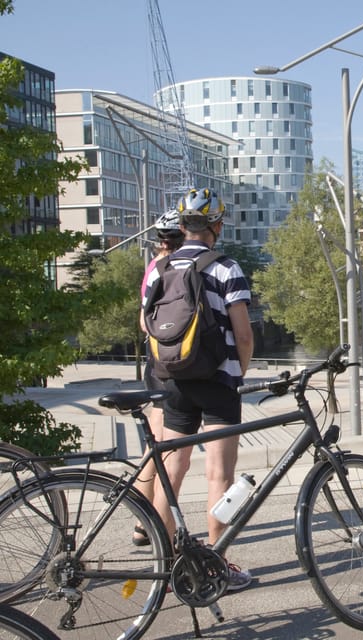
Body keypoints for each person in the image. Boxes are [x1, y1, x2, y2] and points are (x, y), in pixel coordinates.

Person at [141, 188, 255, 589]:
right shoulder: (227, 268)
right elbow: (243, 336)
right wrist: (236, 373)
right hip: (218, 381)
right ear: (216, 226)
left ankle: (164, 560)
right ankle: (215, 563)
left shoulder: (160, 267)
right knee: (218, 477)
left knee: (172, 470)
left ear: (183, 224)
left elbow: (146, 324)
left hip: (174, 380)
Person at [133, 210, 184, 546]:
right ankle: (150, 524)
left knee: (156, 439)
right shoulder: (171, 269)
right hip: (169, 365)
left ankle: (142, 520)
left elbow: (142, 321)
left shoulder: (153, 268)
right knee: (165, 447)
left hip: (155, 363)